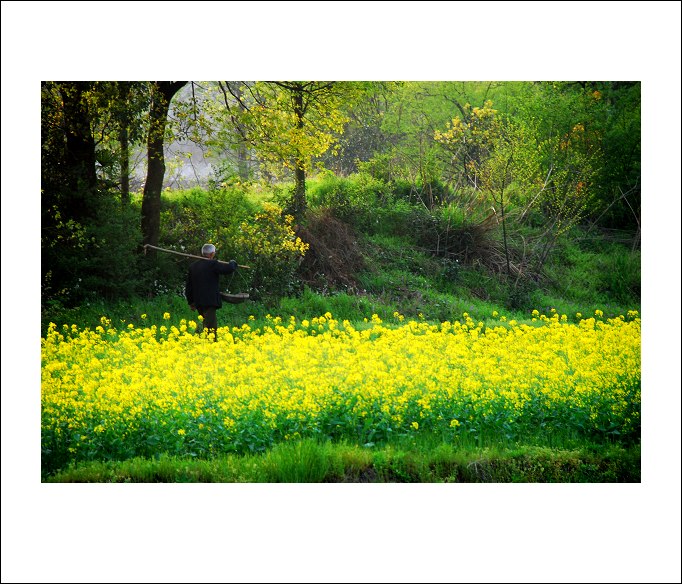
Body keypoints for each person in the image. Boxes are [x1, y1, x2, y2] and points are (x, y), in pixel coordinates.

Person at [185, 243, 238, 341]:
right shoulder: (213, 264)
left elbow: (189, 286)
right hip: (210, 301)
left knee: (204, 321)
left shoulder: (193, 266)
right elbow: (228, 269)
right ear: (212, 254)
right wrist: (233, 263)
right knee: (210, 325)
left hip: (198, 301)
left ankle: (199, 341)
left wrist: (191, 301)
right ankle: (210, 343)